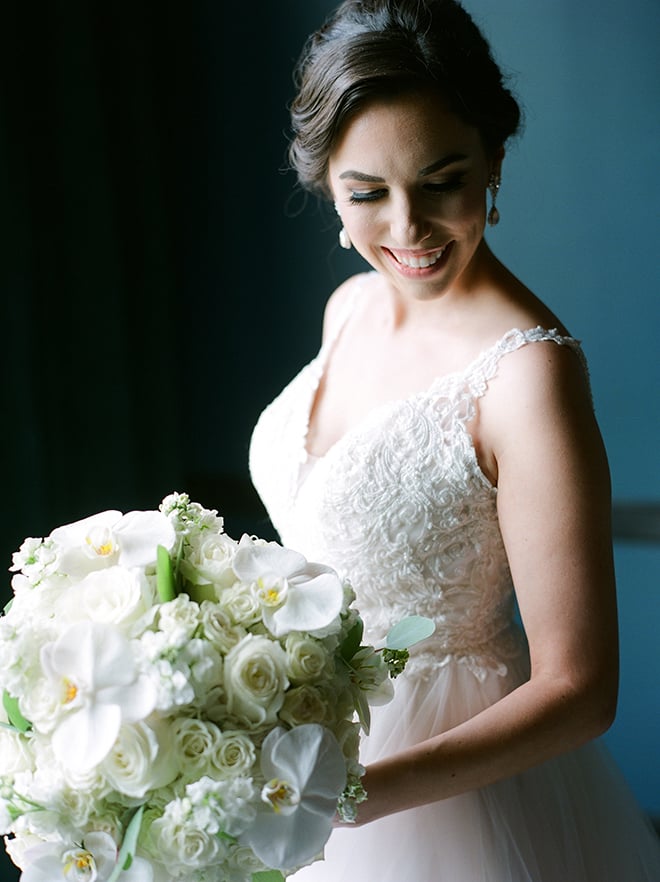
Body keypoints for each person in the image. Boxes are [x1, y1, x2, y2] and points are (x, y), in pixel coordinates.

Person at [249, 1, 660, 879]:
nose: (407, 230)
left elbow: (581, 691)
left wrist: (353, 796)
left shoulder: (528, 374)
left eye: (443, 181)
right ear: (329, 185)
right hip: (306, 743)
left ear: (494, 162)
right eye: (367, 194)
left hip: (444, 793)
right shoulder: (349, 307)